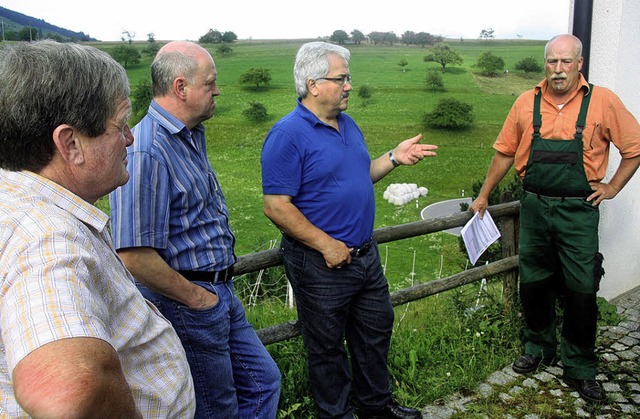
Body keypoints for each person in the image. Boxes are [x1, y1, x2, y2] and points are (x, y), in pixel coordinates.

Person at [0, 40, 195, 418]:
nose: (129, 138)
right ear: (71, 143)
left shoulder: (16, 198)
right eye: (119, 124)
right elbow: (69, 389)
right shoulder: (45, 236)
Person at [261, 41, 437, 419]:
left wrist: (393, 158)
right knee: (326, 349)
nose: (349, 86)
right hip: (321, 263)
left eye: (348, 78)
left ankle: (376, 407)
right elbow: (275, 206)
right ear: (313, 84)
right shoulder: (287, 134)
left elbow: (360, 175)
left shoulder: (347, 123)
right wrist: (326, 245)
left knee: (375, 333)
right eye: (341, 78)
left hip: (364, 255)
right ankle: (337, 415)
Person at [109, 41, 281, 418]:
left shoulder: (188, 136)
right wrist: (196, 299)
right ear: (181, 87)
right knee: (216, 407)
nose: (218, 90)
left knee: (263, 381)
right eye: (211, 82)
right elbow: (134, 256)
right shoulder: (147, 151)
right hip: (188, 300)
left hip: (217, 291)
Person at [470, 34, 640, 405]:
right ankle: (538, 347)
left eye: (566, 62)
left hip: (578, 210)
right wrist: (483, 194)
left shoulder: (603, 101)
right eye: (552, 62)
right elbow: (503, 153)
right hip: (534, 205)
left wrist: (612, 186)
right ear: (545, 63)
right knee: (534, 281)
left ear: (580, 63)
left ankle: (579, 367)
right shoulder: (525, 102)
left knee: (581, 288)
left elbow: (634, 148)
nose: (559, 69)